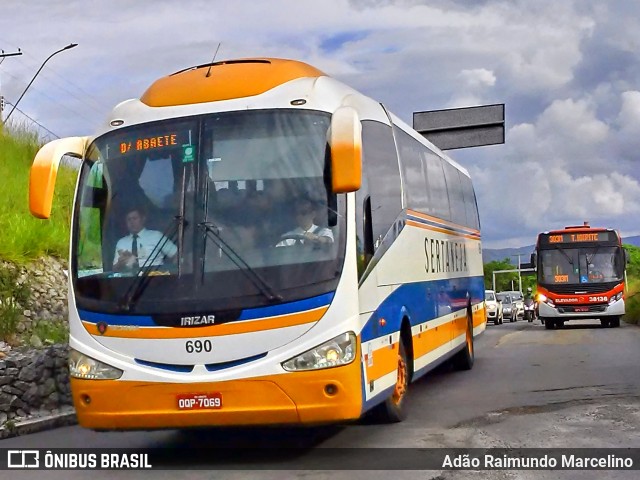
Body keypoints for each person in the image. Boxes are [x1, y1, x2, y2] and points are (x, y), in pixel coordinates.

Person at [113, 207, 177, 271]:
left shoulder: (156, 236)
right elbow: (114, 270)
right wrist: (120, 263)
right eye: (129, 219)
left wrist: (172, 272)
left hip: (152, 278)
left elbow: (176, 255)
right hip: (130, 280)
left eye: (134, 218)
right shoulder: (121, 243)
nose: (131, 222)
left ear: (143, 219)